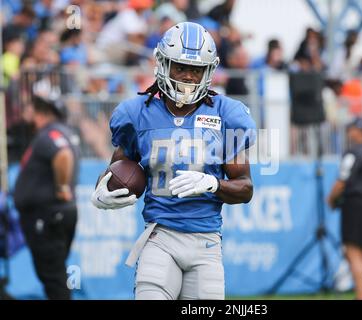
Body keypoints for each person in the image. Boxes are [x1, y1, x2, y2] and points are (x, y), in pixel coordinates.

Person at [91, 22, 256, 300]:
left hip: (206, 243)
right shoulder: (136, 113)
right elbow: (115, 170)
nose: (188, 76)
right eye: (180, 67)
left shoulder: (228, 114)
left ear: (209, 72)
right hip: (160, 237)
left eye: (196, 69)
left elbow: (245, 188)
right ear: (163, 64)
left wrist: (212, 183)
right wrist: (100, 192)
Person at [13, 93, 80, 300]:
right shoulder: (65, 132)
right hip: (58, 214)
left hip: (47, 215)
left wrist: (61, 186)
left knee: (53, 277)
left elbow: (63, 155)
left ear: (39, 112)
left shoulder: (50, 134)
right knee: (55, 273)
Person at [327, 117, 362, 300]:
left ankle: (360, 296)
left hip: (354, 204)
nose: (349, 132)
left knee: (353, 252)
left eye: (351, 129)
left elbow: (341, 181)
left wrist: (331, 199)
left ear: (359, 131)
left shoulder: (353, 153)